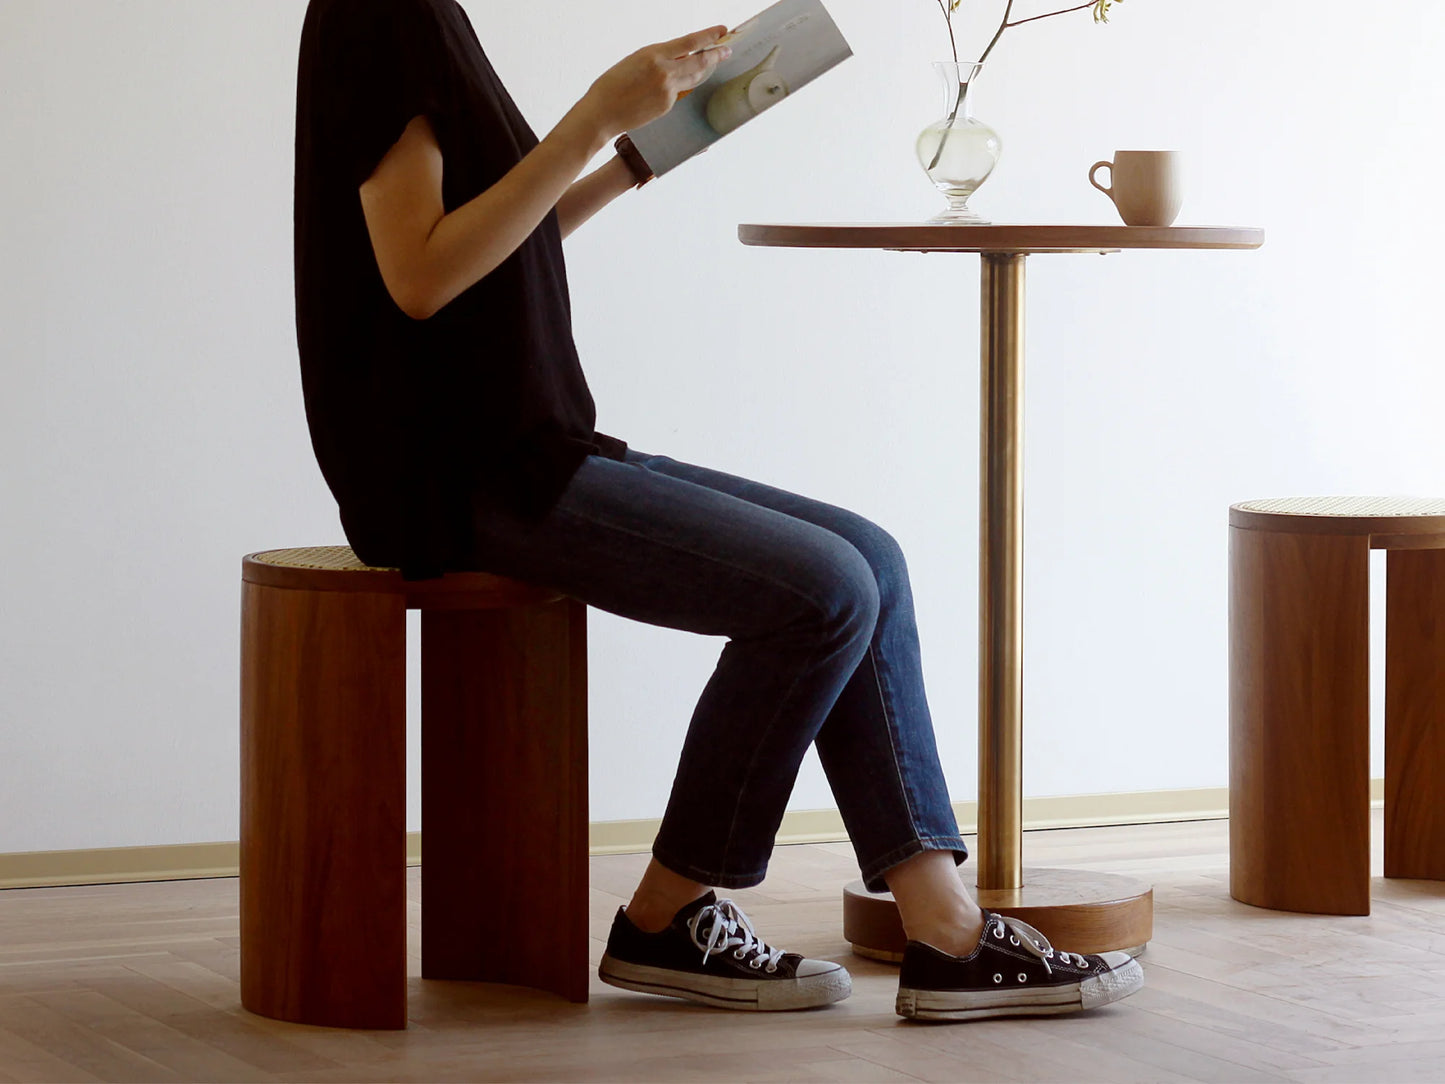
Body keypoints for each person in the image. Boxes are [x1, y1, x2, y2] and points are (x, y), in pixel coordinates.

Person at [293, 0, 1143, 1021]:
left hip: (529, 445)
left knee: (869, 556)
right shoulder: (372, 17)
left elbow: (506, 240)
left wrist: (640, 155)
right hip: (454, 476)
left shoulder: (428, 18)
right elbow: (420, 276)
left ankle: (940, 923)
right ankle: (666, 911)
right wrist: (590, 120)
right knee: (822, 591)